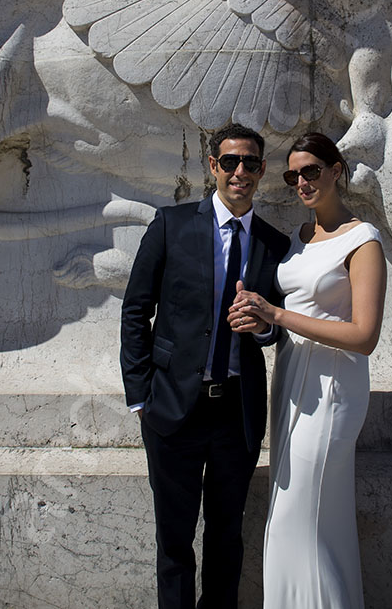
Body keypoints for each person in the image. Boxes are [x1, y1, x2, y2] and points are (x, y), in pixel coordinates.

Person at [120, 123, 290, 609]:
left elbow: (277, 328)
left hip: (236, 413)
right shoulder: (171, 225)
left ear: (260, 171)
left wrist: (260, 326)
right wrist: (140, 396)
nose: (241, 172)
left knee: (226, 535)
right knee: (174, 542)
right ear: (213, 166)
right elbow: (136, 310)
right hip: (173, 409)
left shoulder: (274, 246)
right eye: (231, 162)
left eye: (251, 163)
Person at [229, 132, 387, 609]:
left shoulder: (363, 240)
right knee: (308, 519)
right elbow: (289, 312)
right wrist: (262, 320)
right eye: (293, 174)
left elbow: (365, 336)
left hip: (334, 390)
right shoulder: (298, 239)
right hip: (291, 381)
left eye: (311, 171)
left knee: (301, 518)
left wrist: (277, 315)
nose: (301, 181)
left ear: (337, 170)